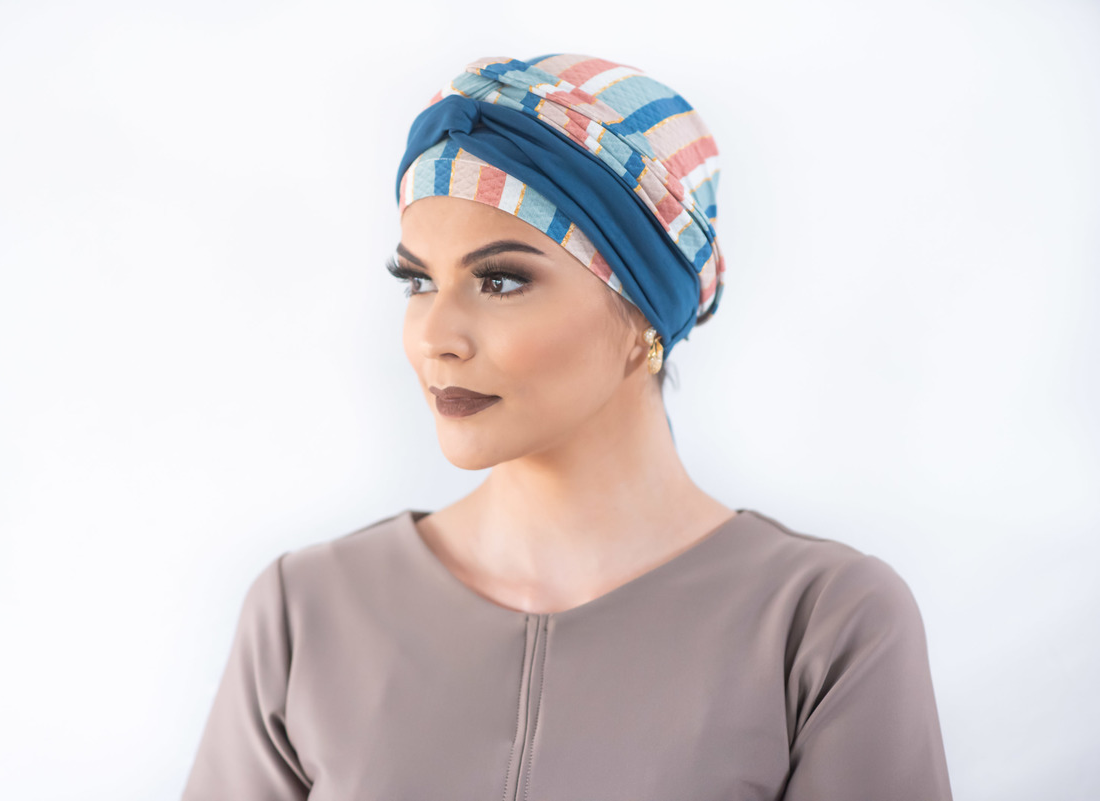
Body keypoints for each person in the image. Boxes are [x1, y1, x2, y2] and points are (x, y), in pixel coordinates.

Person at [180, 54, 953, 800]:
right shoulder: (304, 612)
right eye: (417, 281)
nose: (434, 336)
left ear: (644, 315)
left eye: (500, 280)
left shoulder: (823, 625)